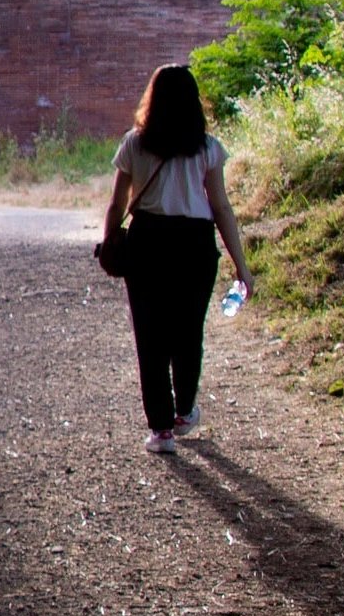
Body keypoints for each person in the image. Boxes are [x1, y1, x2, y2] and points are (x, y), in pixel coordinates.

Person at [100, 62, 253, 455]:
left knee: (150, 338)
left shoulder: (134, 143)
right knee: (188, 332)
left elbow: (117, 203)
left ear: (152, 99)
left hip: (148, 241)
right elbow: (221, 207)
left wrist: (109, 242)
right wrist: (241, 265)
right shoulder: (207, 148)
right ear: (192, 102)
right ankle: (184, 410)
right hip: (194, 245)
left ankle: (161, 430)